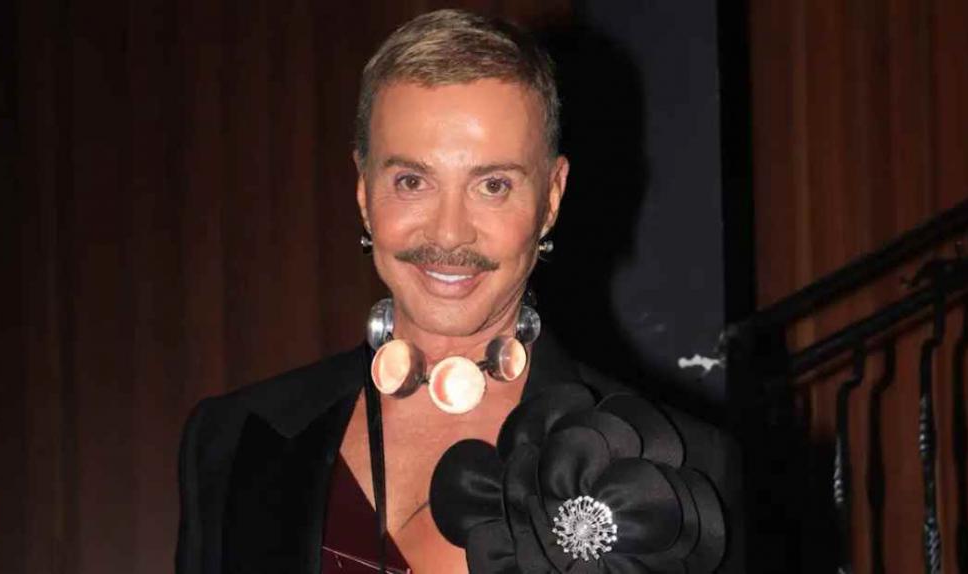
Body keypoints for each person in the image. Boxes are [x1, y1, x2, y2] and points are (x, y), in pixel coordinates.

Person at [176, 9, 739, 574]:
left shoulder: (685, 469)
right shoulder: (230, 443)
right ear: (364, 190)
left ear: (551, 198)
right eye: (411, 181)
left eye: (493, 185)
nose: (448, 234)